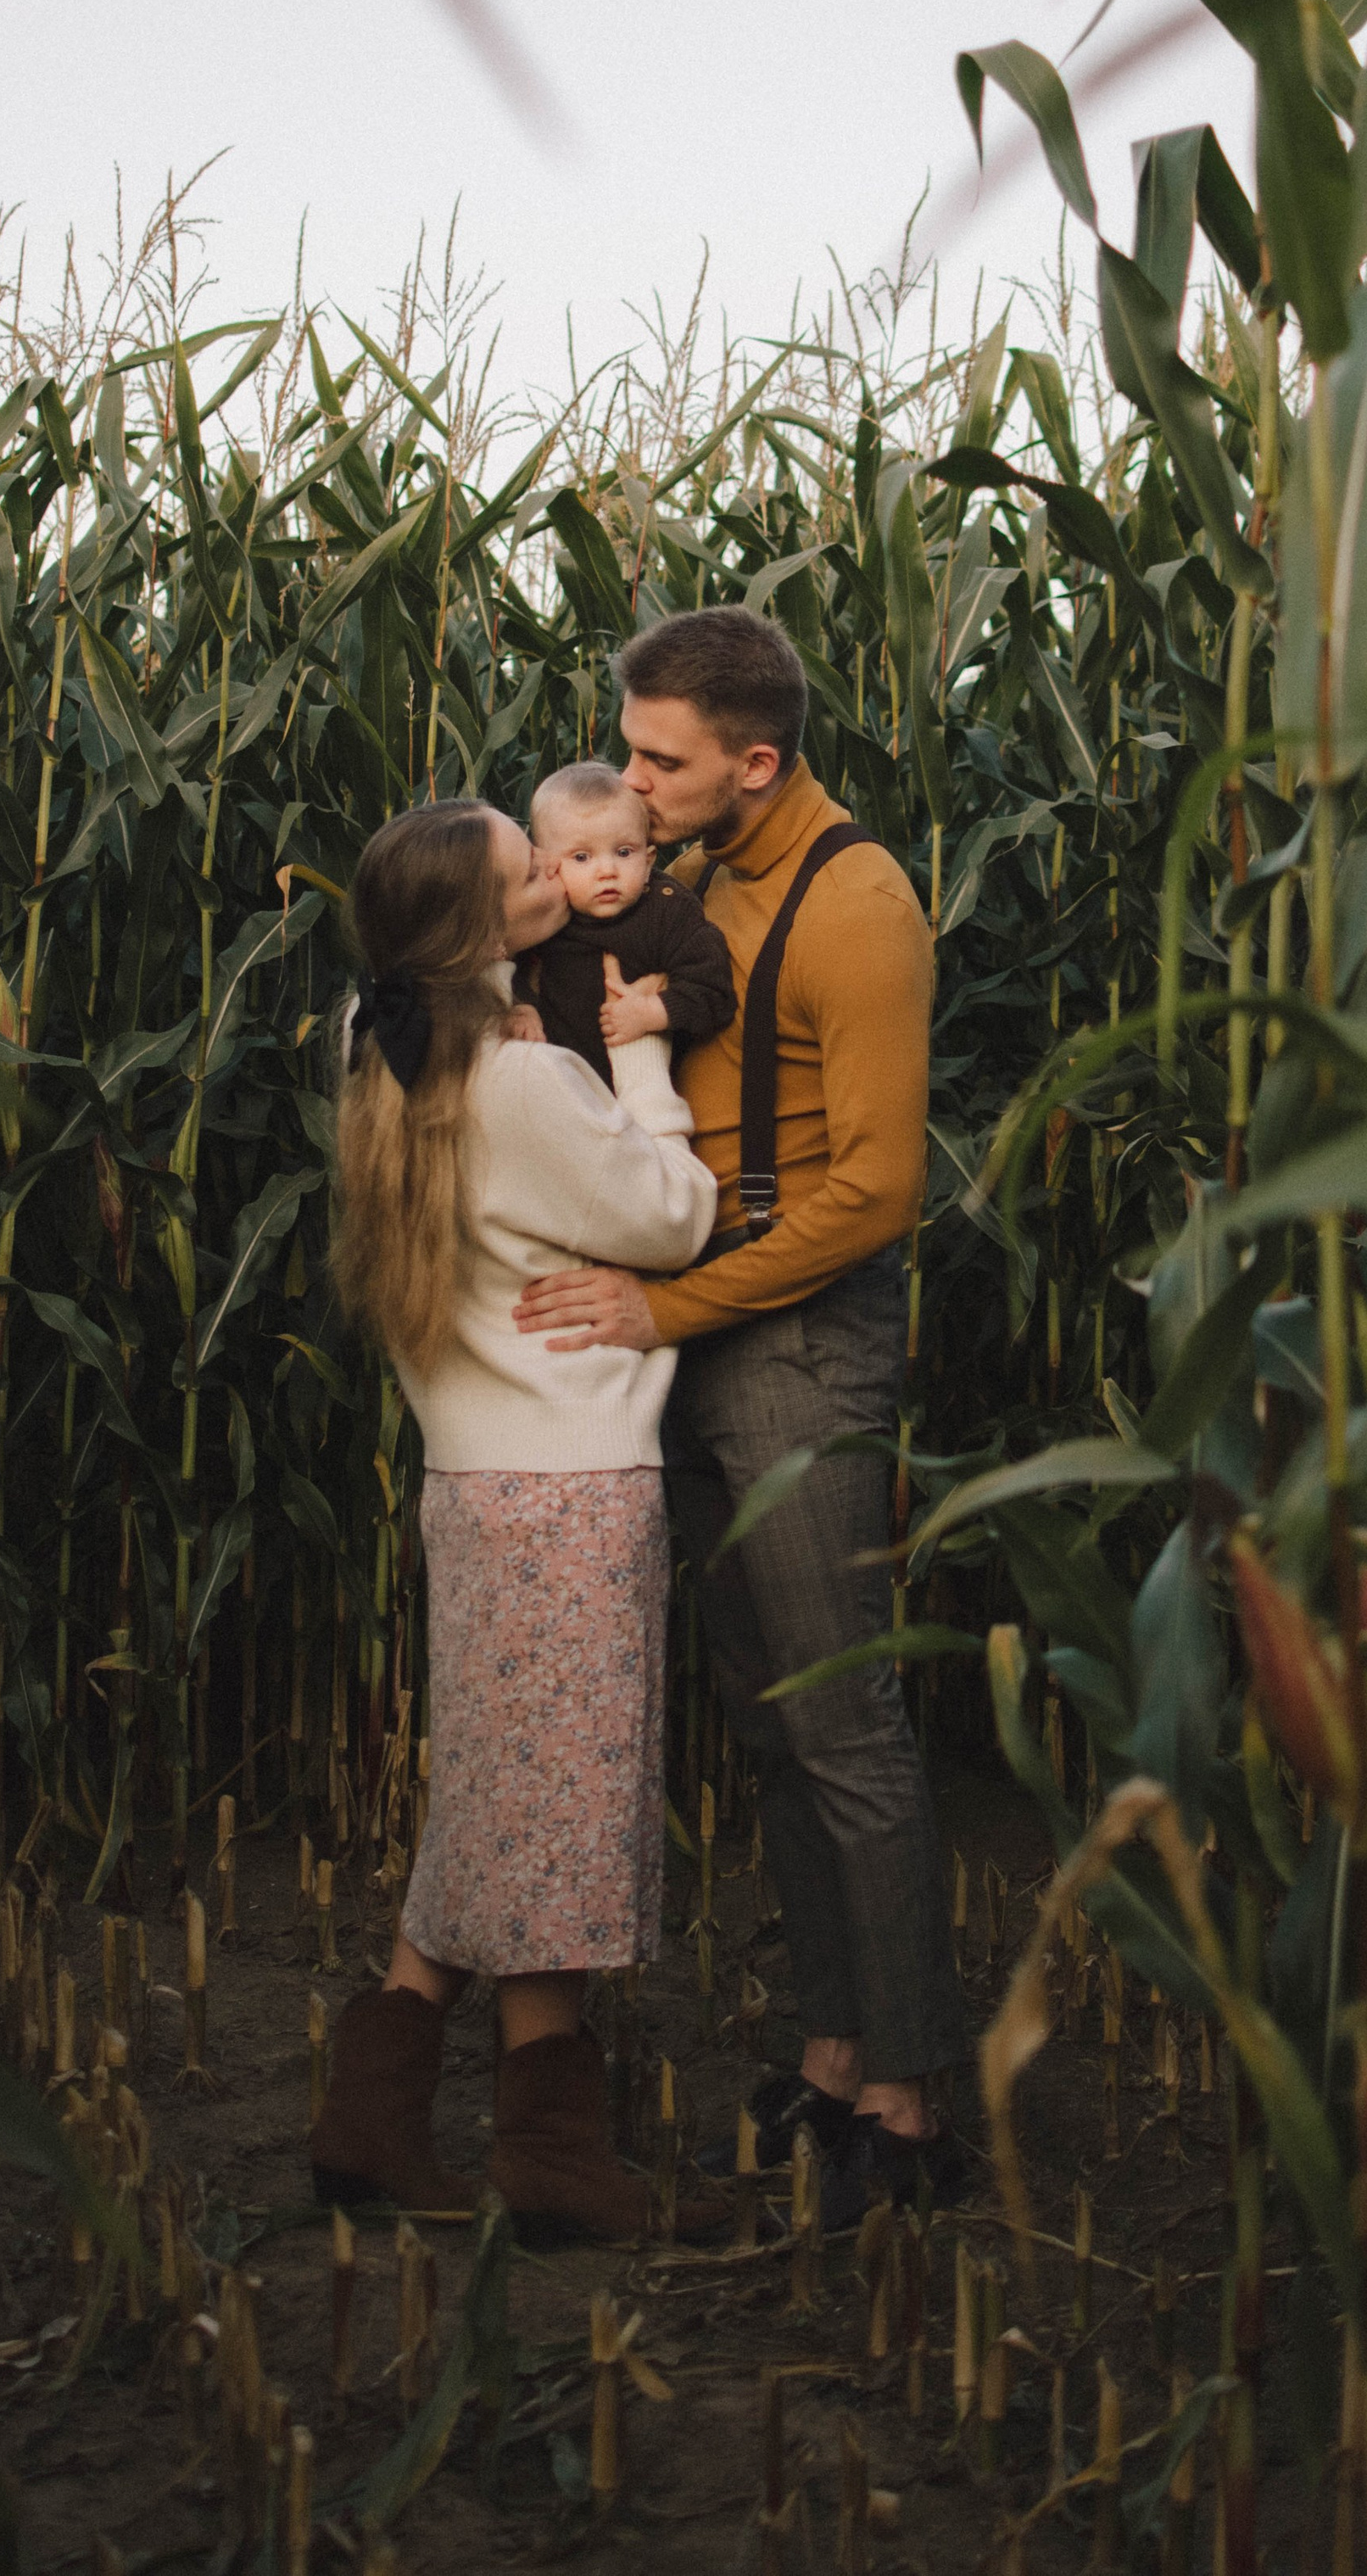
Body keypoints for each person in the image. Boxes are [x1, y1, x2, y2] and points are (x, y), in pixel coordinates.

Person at [513, 607, 969, 2228]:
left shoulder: (860, 903)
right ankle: (835, 2058)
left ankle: (909, 2106)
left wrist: (667, 1311)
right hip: (698, 1324)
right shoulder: (691, 885)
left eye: (659, 761)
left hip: (797, 1333)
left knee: (845, 1725)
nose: (628, 785)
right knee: (771, 1722)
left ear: (755, 762)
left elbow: (878, 1193)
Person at [305, 796, 729, 2244]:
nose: (558, 868)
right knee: (562, 1811)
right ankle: (548, 2154)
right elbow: (677, 1216)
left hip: (470, 1484)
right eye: (527, 863)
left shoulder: (373, 1046)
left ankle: (370, 2123)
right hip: (572, 1483)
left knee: (503, 1795)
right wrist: (642, 1059)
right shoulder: (526, 1079)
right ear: (483, 923)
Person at [514, 757, 736, 1083]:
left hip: (646, 1088)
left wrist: (652, 1013)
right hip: (561, 1085)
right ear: (548, 864)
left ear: (648, 861)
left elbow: (714, 989)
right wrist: (521, 1007)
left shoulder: (667, 911)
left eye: (623, 852)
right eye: (581, 857)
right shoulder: (544, 916)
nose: (607, 871)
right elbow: (504, 968)